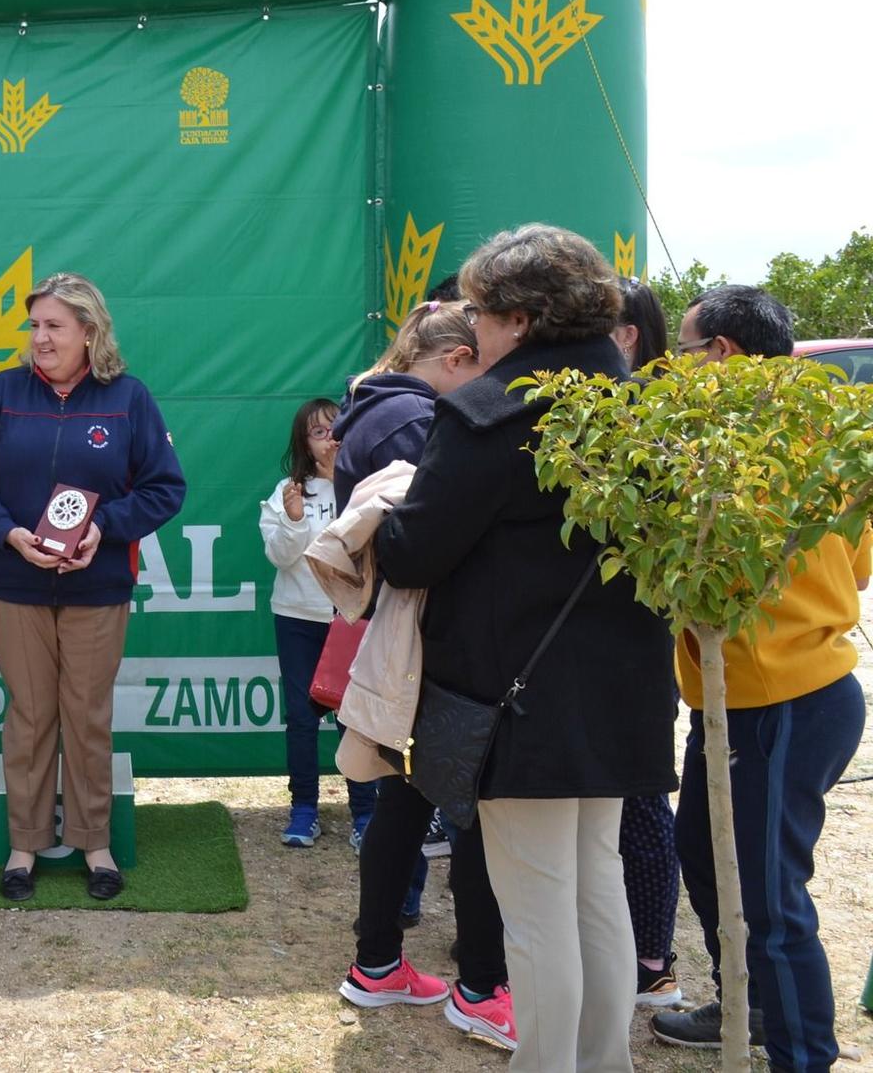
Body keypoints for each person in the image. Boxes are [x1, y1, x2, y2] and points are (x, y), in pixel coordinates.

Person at [377, 224, 677, 1071]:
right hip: (622, 692)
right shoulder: (648, 408)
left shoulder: (490, 410)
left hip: (517, 694)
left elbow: (413, 551)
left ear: (518, 316)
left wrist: (384, 514)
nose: (470, 326)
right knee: (595, 888)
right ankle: (601, 1063)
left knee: (540, 907)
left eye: (475, 309)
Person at [649, 285, 869, 1069]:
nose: (673, 367)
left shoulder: (744, 445)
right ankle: (747, 1002)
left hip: (785, 697)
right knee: (705, 857)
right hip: (735, 699)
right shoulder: (828, 429)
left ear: (724, 355)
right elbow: (861, 560)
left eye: (683, 350)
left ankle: (800, 1054)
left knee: (771, 895)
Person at [0, 273, 184, 902]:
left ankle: (93, 841)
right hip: (18, 584)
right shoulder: (3, 395)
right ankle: (24, 843)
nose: (40, 338)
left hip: (98, 587)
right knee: (28, 716)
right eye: (34, 326)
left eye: (54, 326)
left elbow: (164, 488)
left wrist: (101, 530)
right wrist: (7, 534)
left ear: (89, 331)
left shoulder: (128, 400)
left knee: (87, 715)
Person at [330, 300, 514, 1052]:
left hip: (409, 640)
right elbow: (429, 536)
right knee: (467, 806)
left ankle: (379, 961)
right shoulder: (411, 420)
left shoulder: (373, 409)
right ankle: (479, 985)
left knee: (406, 802)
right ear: (456, 361)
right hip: (433, 641)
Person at [608, 276, 685, 1008]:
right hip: (614, 642)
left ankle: (654, 959)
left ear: (626, 333)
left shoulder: (649, 417)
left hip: (635, 641)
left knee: (640, 800)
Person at [259, 397, 377, 848]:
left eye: (334, 430)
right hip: (297, 618)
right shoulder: (287, 491)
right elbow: (281, 558)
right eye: (317, 433)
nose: (328, 440)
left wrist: (343, 485)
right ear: (304, 444)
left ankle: (365, 812)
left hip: (351, 618)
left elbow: (368, 550)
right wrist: (292, 520)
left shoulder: (365, 487)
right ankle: (304, 809)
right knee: (303, 719)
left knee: (353, 717)